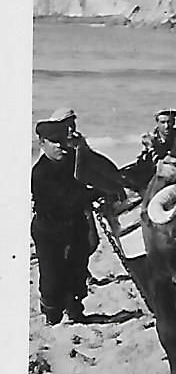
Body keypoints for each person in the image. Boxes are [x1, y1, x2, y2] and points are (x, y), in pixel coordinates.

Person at [31, 110, 101, 325]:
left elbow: (95, 169)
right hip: (49, 230)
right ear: (42, 144)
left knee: (77, 272)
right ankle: (52, 315)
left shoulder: (73, 160)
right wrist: (95, 193)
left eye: (63, 141)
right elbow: (69, 198)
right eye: (55, 142)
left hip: (74, 226)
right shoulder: (40, 173)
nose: (61, 146)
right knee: (52, 278)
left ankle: (75, 311)